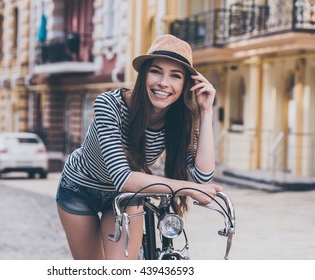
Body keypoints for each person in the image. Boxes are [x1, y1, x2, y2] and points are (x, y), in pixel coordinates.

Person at [56, 34, 223, 260]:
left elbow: (202, 176)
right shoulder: (109, 104)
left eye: (175, 76)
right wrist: (187, 188)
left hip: (126, 196)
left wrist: (205, 111)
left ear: (185, 85)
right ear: (144, 74)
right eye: (156, 71)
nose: (164, 82)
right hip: (79, 189)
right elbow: (122, 177)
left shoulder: (179, 120)